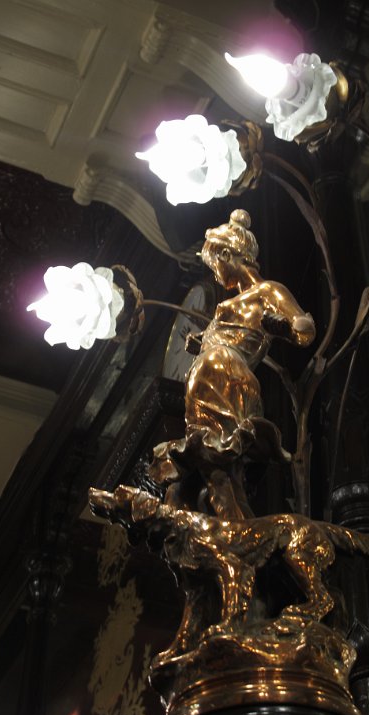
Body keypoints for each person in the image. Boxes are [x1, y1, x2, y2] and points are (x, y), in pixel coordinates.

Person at [149, 209, 315, 519]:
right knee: (209, 463)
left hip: (225, 372)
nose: (215, 274)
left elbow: (305, 329)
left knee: (216, 459)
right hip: (210, 372)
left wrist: (284, 327)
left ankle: (235, 524)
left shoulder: (268, 291)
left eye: (215, 265)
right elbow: (230, 334)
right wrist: (202, 341)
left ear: (227, 254)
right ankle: (228, 521)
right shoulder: (228, 303)